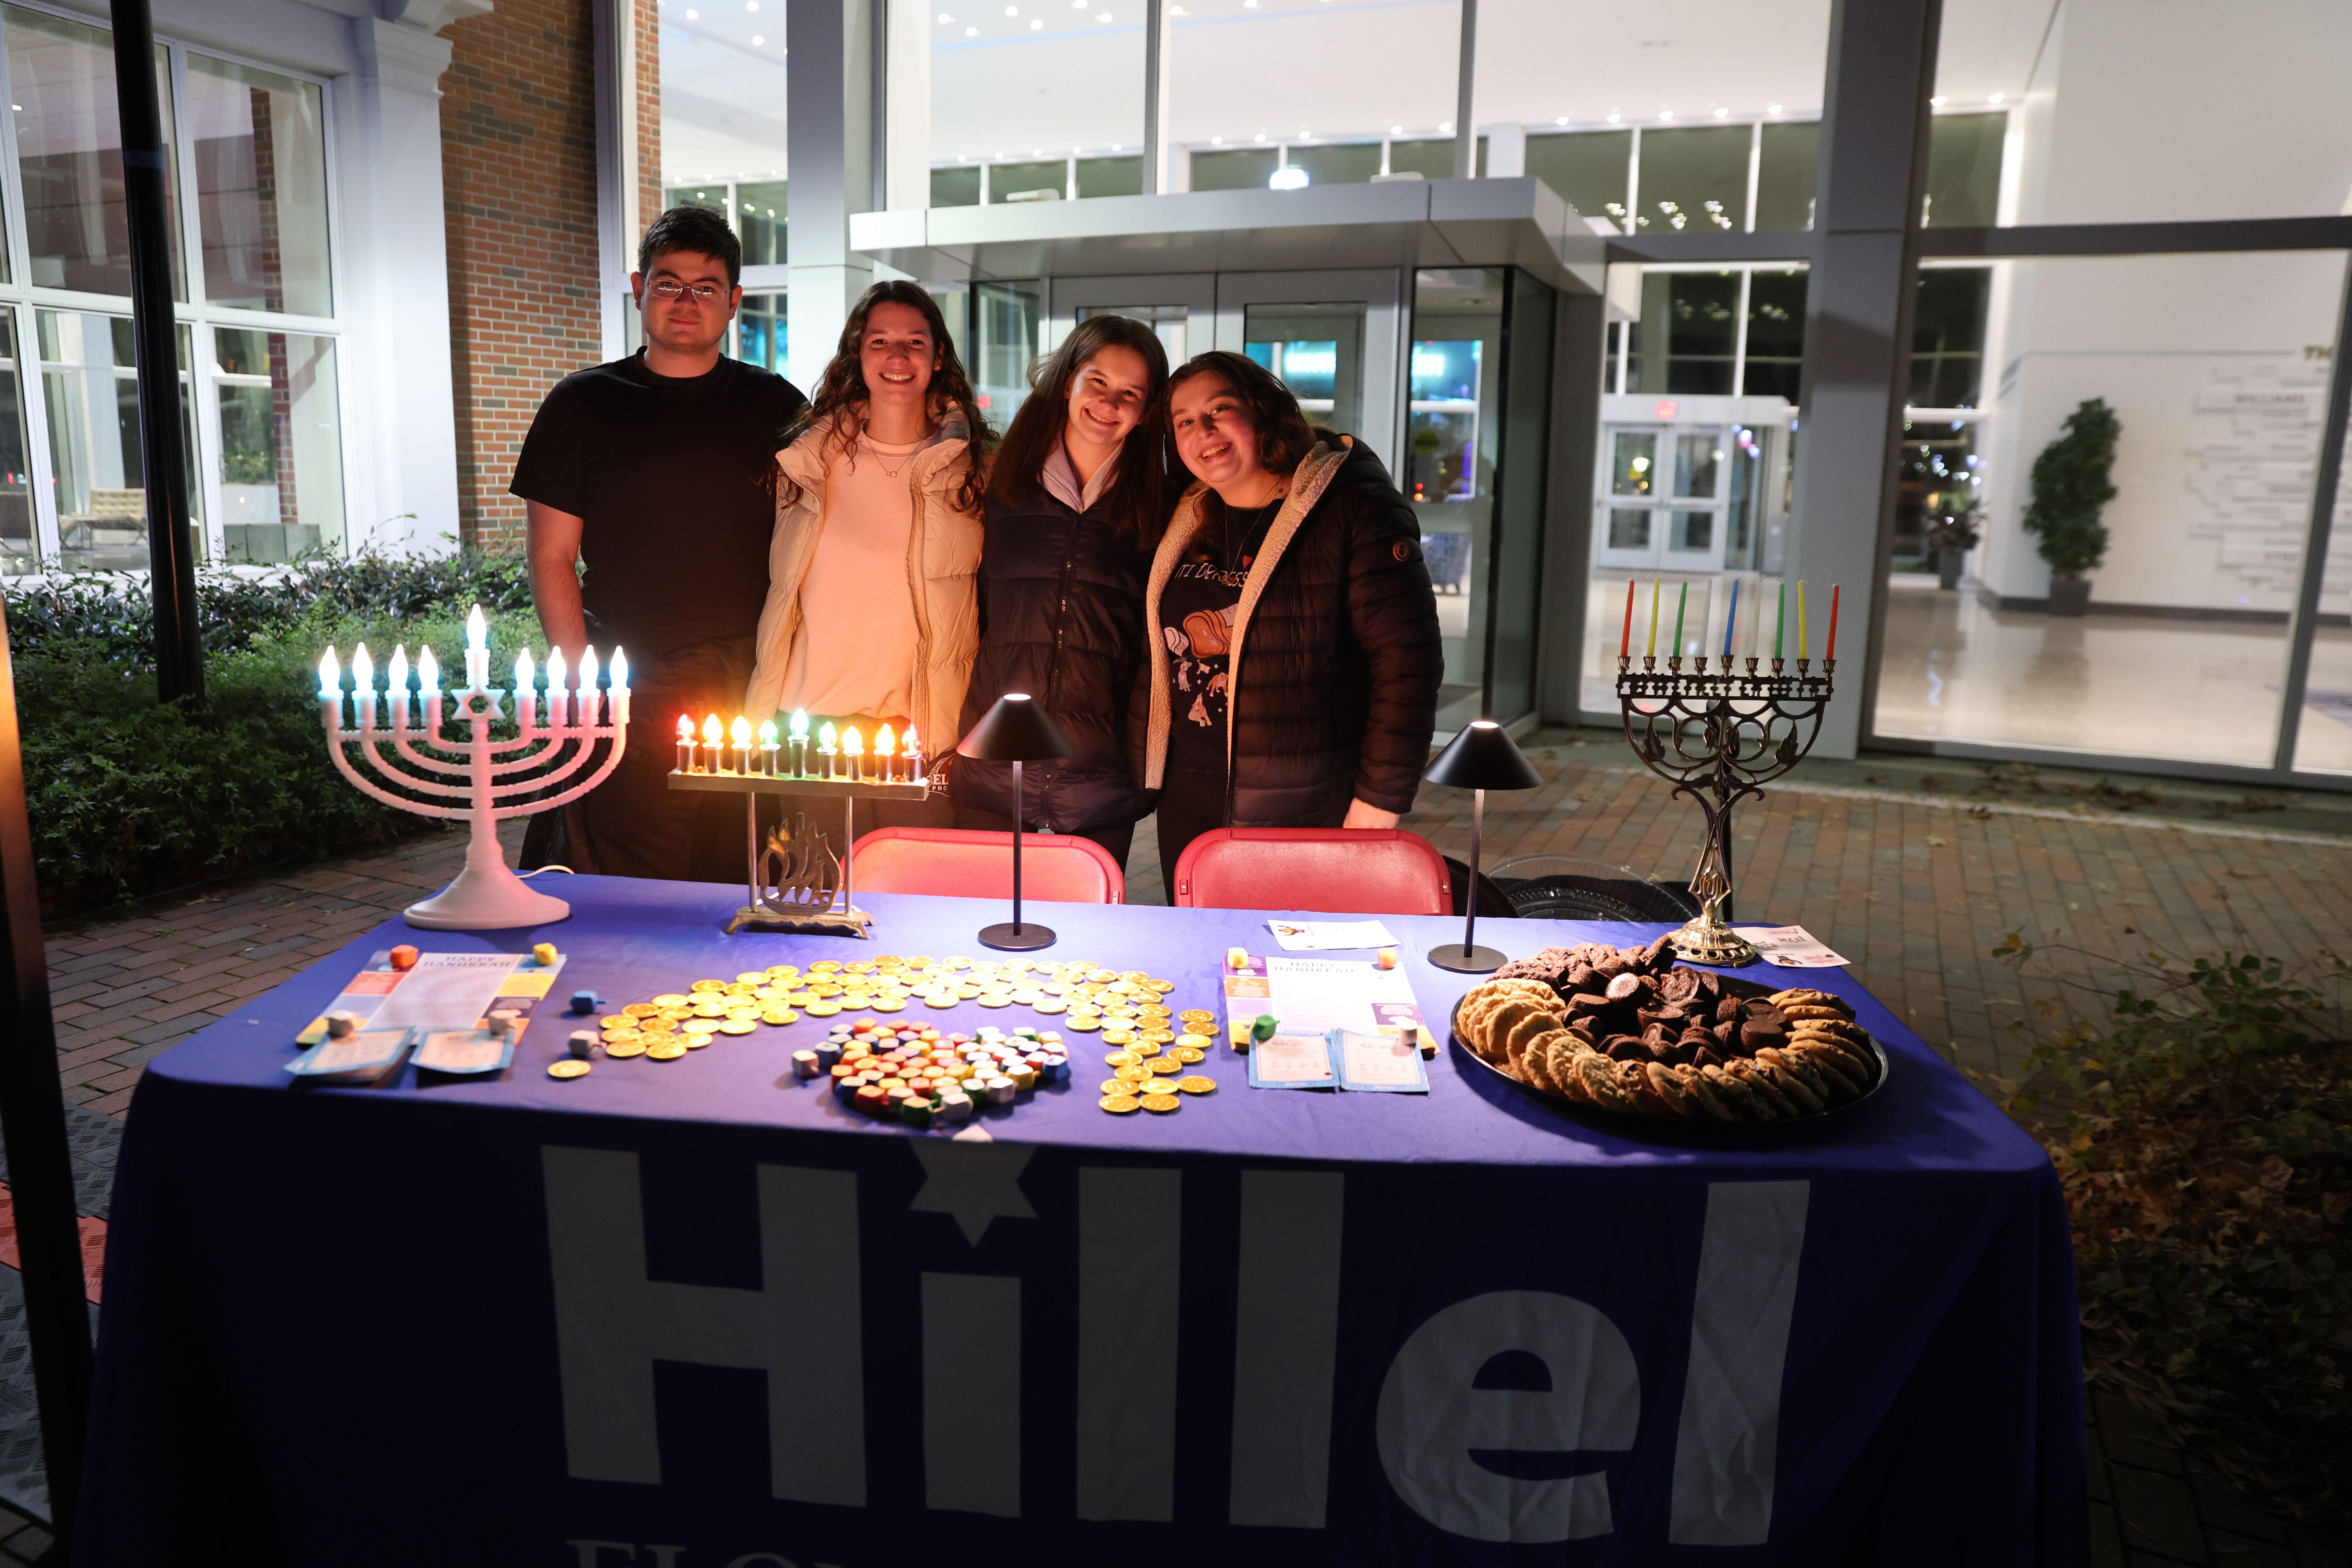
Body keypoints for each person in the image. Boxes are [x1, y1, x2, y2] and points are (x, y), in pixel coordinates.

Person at [514, 205, 806, 879]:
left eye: (705, 287)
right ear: (641, 289)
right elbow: (551, 556)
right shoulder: (581, 405)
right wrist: (586, 687)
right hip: (629, 687)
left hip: (749, 688)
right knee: (632, 888)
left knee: (742, 883)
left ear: (734, 302)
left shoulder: (778, 409)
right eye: (668, 282)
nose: (685, 301)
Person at [1142, 349, 1442, 899]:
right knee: (1205, 958)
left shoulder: (1351, 505)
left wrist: (1381, 800)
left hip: (1305, 800)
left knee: (1294, 960)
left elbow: (1408, 663)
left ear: (1263, 410)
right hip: (1192, 798)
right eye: (1184, 422)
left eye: (1220, 409)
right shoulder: (1188, 515)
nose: (1203, 431)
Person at [744, 280, 994, 829]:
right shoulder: (807, 460)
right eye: (880, 342)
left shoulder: (975, 469)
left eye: (915, 343)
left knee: (917, 906)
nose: (897, 357)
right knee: (820, 903)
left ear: (938, 357)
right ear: (858, 355)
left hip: (921, 738)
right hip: (811, 733)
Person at [951, 314, 1171, 870]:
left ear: (1147, 413)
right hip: (993, 761)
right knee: (981, 938)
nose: (1109, 403)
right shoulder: (998, 483)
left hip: (1101, 774)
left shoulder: (1162, 506)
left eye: (1131, 394)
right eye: (1097, 381)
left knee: (1087, 944)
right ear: (1068, 378)